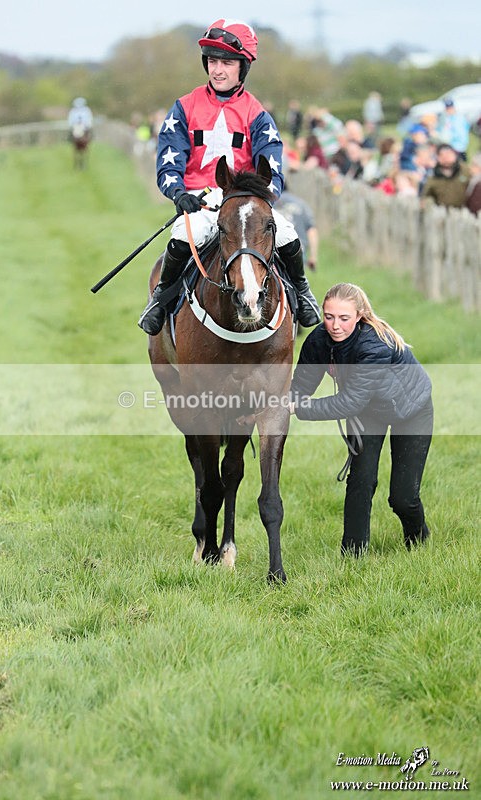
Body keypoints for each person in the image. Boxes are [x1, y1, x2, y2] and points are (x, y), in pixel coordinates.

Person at [138, 19, 320, 335]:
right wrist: (179, 193)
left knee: (288, 234)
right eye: (212, 61)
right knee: (183, 235)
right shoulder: (183, 108)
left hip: (245, 203)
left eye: (226, 62)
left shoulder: (257, 114)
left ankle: (302, 294)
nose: (217, 69)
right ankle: (160, 300)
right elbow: (168, 164)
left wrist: (261, 196)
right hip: (200, 203)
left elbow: (273, 168)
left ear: (242, 67)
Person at [290, 282, 433, 556]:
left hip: (411, 411)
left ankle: (419, 543)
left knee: (402, 499)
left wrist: (299, 409)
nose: (335, 325)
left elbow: (349, 402)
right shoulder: (319, 340)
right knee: (360, 480)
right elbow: (301, 386)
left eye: (344, 318)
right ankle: (353, 557)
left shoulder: (374, 344)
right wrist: (276, 403)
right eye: (329, 316)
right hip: (370, 411)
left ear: (359, 316)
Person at [421, 143, 470, 208]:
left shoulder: (465, 170)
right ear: (438, 158)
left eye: (449, 153)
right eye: (443, 155)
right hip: (441, 211)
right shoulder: (433, 176)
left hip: (463, 212)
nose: (447, 157)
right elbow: (426, 196)